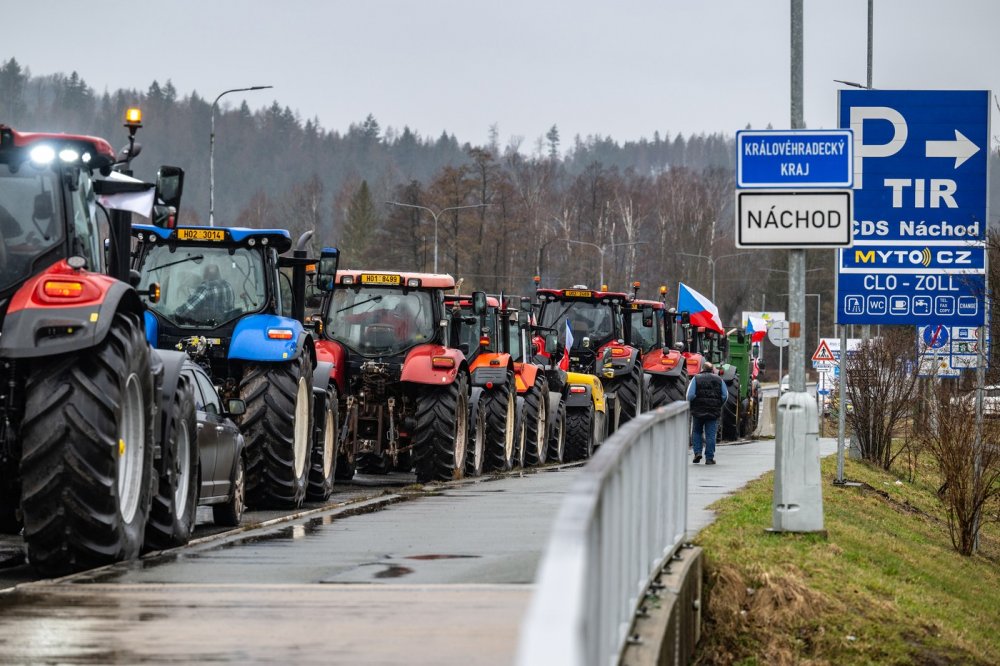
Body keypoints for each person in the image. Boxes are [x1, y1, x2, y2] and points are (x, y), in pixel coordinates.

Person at [686, 361, 727, 465]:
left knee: (696, 432)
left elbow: (690, 395)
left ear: (702, 369)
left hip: (698, 411)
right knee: (710, 435)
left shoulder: (696, 378)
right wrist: (718, 404)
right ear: (712, 369)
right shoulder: (719, 379)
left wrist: (693, 403)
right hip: (713, 411)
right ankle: (709, 458)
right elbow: (725, 396)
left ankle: (697, 453)